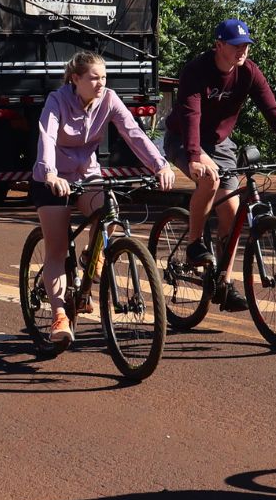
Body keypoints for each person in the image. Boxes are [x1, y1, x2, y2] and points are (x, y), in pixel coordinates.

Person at [161, 18, 276, 306]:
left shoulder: (249, 73)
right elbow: (190, 115)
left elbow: (272, 109)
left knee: (231, 210)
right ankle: (194, 244)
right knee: (209, 179)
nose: (242, 51)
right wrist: (194, 155)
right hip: (184, 138)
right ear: (219, 45)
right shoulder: (197, 71)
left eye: (245, 45)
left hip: (220, 144)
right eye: (235, 46)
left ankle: (224, 283)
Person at [31, 52, 176, 347]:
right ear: (75, 79)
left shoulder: (108, 99)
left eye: (104, 77)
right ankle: (60, 315)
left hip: (87, 176)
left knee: (109, 212)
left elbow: (133, 133)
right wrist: (50, 173)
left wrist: (159, 165)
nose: (101, 83)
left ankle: (90, 258)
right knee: (57, 250)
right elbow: (47, 137)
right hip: (53, 180)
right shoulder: (57, 101)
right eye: (94, 78)